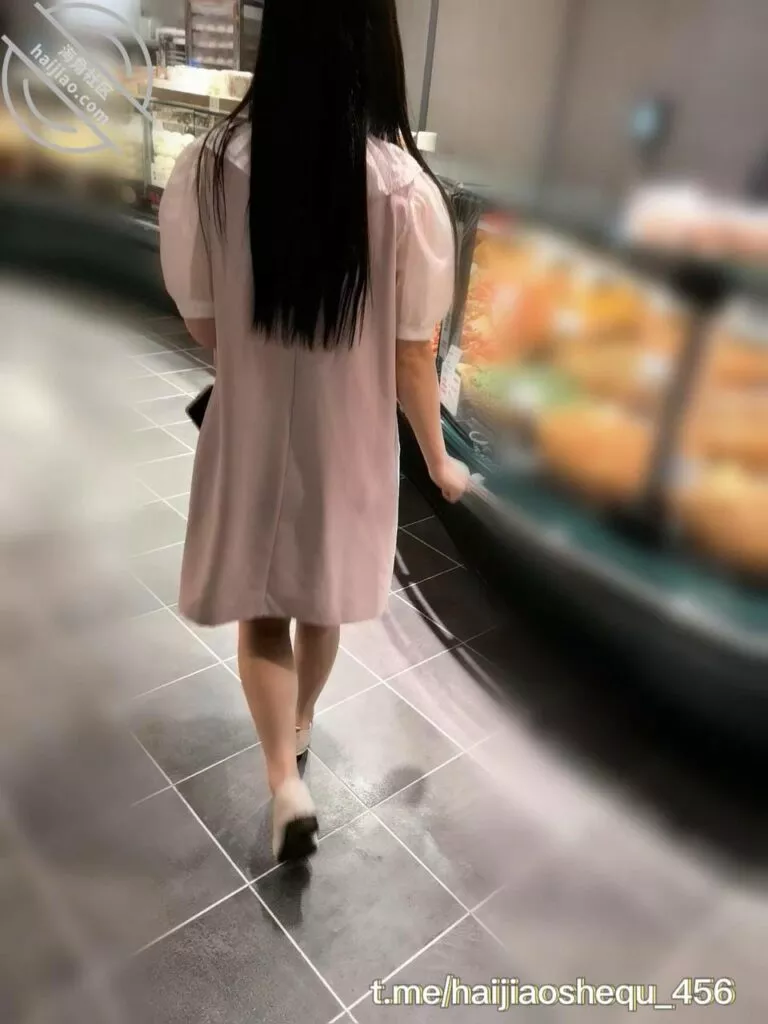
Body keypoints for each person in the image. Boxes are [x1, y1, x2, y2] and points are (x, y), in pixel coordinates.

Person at [158, 0, 469, 864]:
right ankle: (300, 727)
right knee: (319, 604)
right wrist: (439, 461)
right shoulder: (403, 190)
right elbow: (412, 360)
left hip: (251, 430)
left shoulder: (212, 165)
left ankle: (282, 783)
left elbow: (205, 325)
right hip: (349, 443)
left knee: (260, 611)